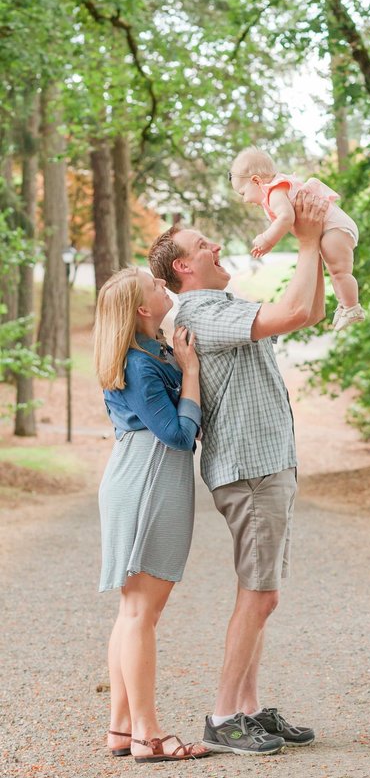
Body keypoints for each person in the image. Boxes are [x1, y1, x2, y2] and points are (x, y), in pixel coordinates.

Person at [148, 191, 328, 756]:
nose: (217, 245)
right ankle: (224, 717)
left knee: (263, 594)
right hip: (250, 470)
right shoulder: (203, 311)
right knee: (258, 593)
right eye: (203, 244)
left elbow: (312, 311)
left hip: (264, 464)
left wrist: (316, 246)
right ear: (183, 267)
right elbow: (296, 312)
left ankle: (249, 710)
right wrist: (303, 240)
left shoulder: (221, 306)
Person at [94, 267, 212, 763]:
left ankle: (122, 728)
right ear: (142, 309)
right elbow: (180, 435)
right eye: (155, 287)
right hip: (149, 475)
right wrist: (190, 372)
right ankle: (147, 733)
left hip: (141, 471)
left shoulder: (147, 350)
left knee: (133, 611)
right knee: (142, 612)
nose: (163, 287)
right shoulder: (141, 364)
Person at [229, 145, 365, 331]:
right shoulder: (276, 190)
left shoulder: (275, 191)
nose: (244, 200)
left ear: (256, 180)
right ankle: (346, 304)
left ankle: (352, 307)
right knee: (336, 272)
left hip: (337, 228)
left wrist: (267, 239)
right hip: (334, 229)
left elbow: (286, 218)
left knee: (340, 272)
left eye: (243, 193)